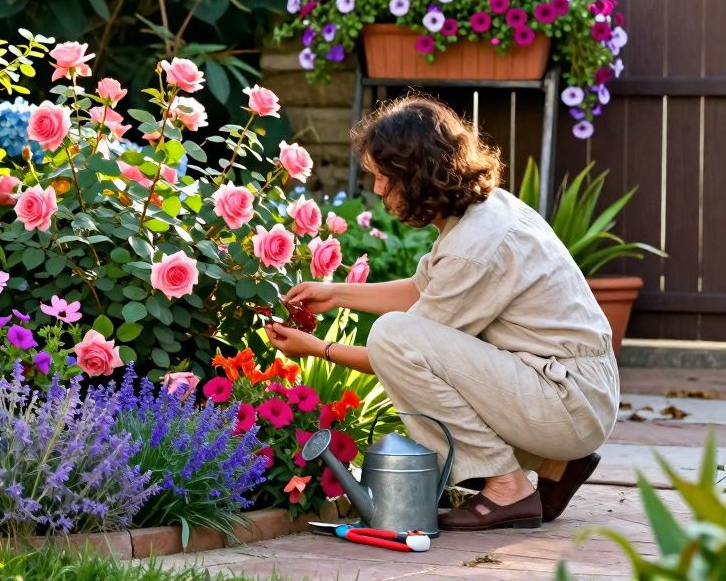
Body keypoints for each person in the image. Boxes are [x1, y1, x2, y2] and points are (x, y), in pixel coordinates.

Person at [265, 96, 620, 531]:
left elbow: (399, 351)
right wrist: (336, 293)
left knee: (391, 336)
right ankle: (556, 465)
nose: (377, 190)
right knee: (401, 336)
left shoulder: (476, 245)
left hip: (569, 404)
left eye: (384, 177)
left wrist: (318, 348)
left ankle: (507, 488)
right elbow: (422, 291)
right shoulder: (482, 213)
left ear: (417, 176)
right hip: (574, 390)